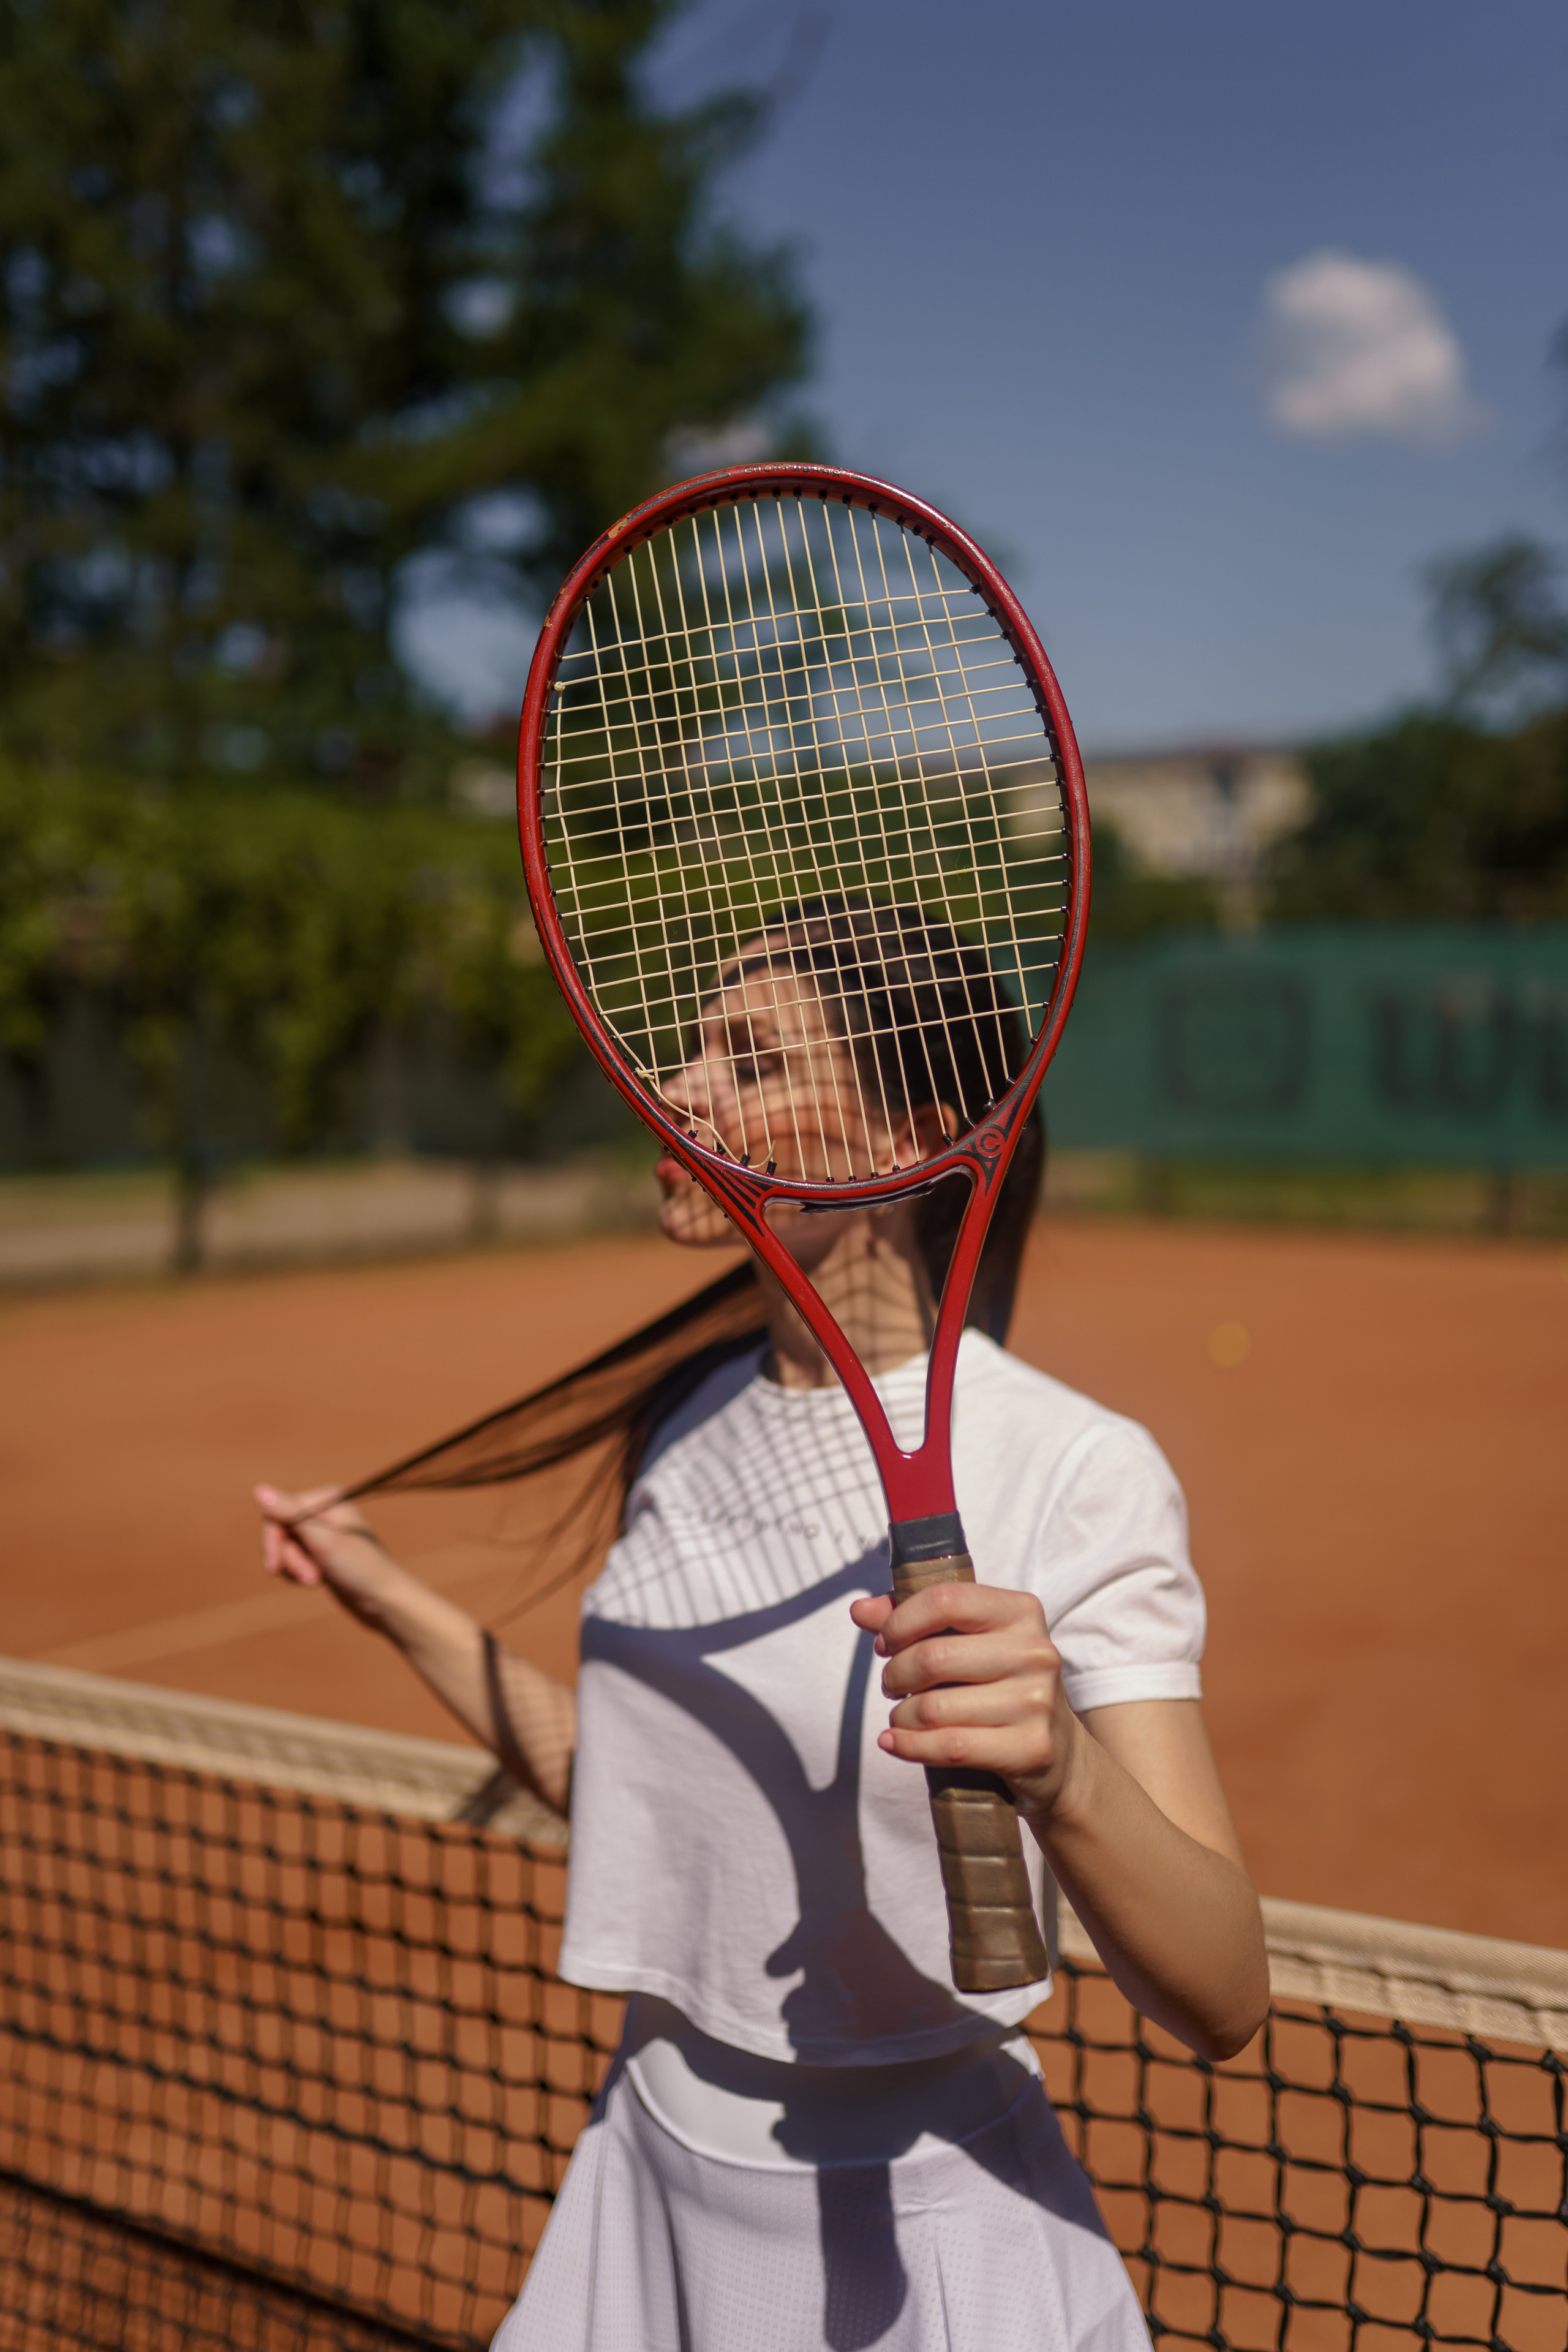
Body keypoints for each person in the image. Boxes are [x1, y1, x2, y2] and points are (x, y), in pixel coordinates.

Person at [257, 899, 1268, 2352]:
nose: (678, 1088)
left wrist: (1062, 1770)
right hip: (643, 2174)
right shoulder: (685, 1423)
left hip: (918, 2239)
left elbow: (1223, 1991)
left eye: (750, 1056)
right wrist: (392, 1602)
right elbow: (637, 1809)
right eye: (691, 1047)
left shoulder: (1070, 1468)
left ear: (904, 1140)